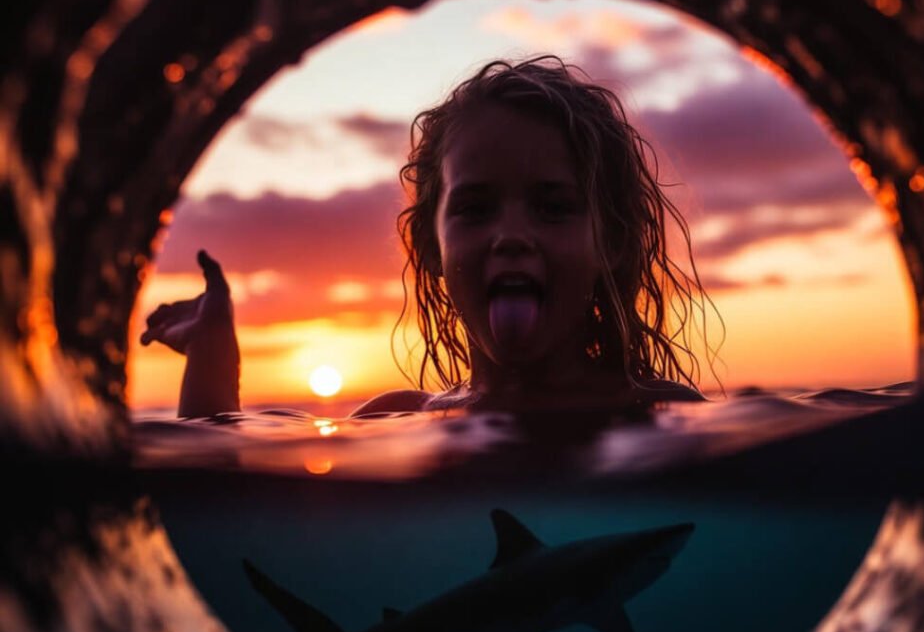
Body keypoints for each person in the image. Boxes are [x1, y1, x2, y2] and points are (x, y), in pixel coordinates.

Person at [140, 56, 720, 417]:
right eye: (475, 207)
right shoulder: (394, 419)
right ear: (430, 249)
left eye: (552, 207)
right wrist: (212, 355)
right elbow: (241, 501)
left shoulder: (662, 412)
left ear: (612, 241)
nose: (511, 237)